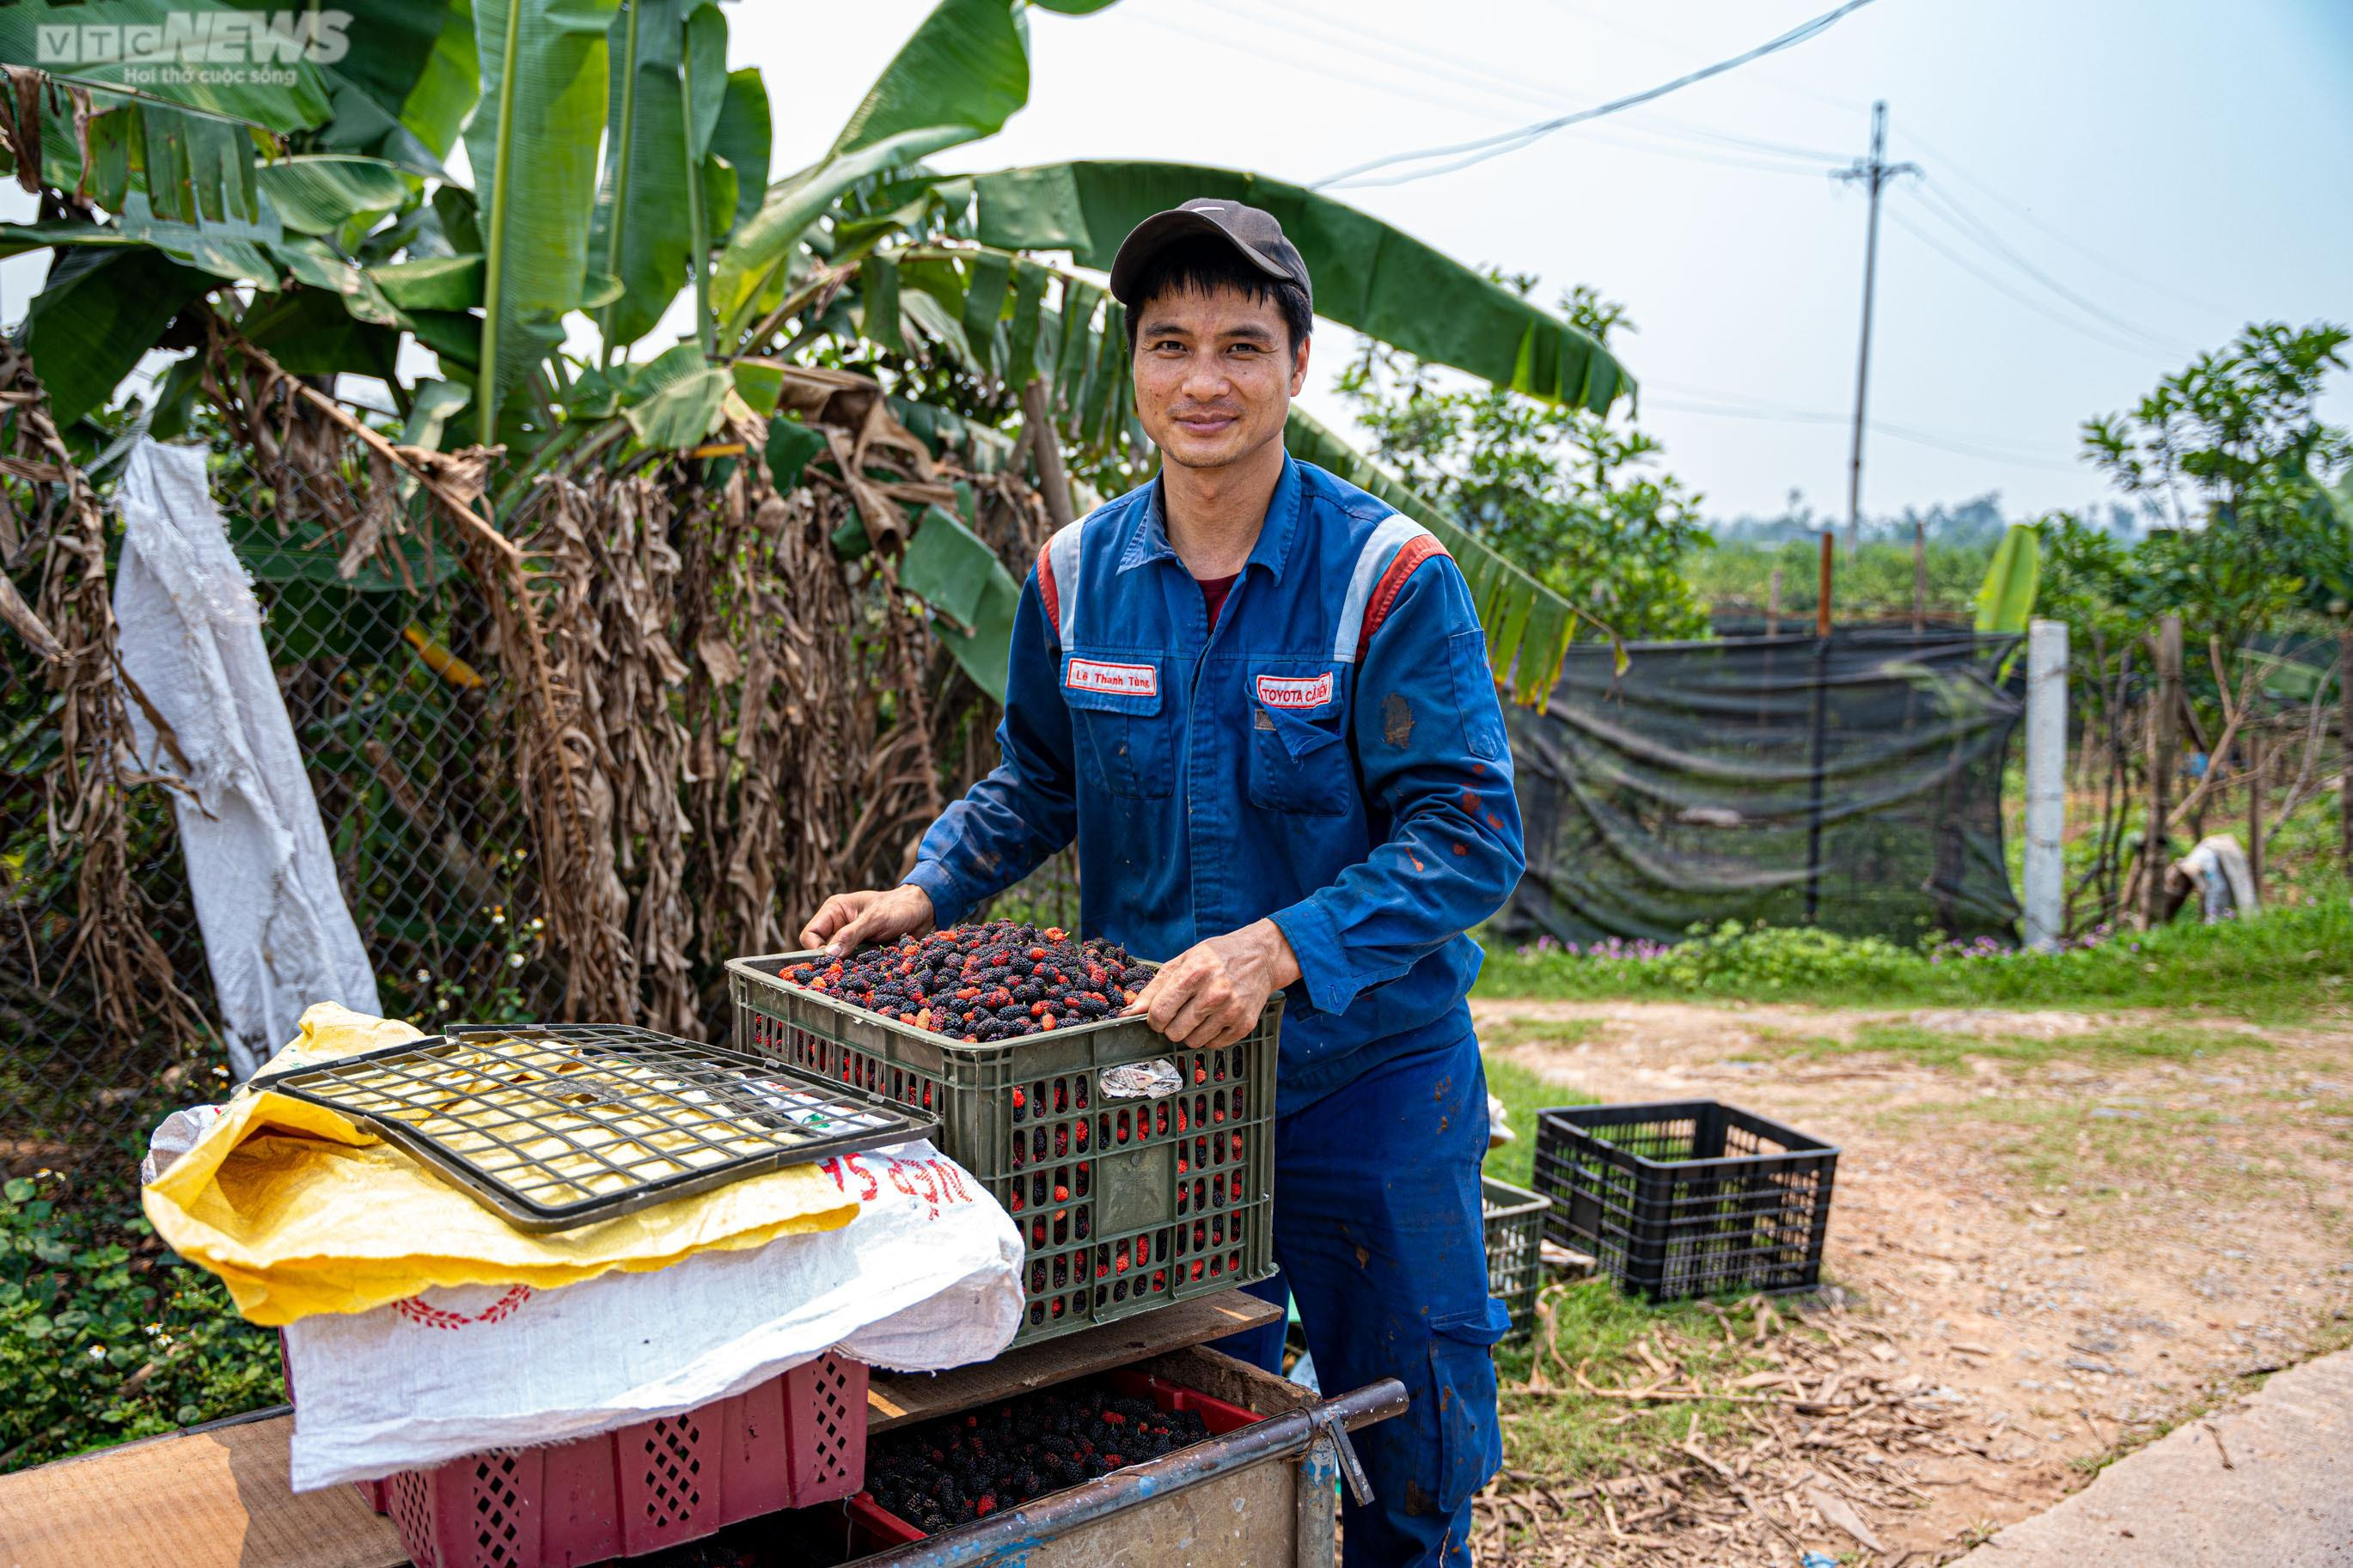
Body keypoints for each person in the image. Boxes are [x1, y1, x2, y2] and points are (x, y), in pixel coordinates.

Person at [800, 198, 1525, 1567]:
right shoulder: (1076, 576)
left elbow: (1470, 832)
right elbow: (1037, 779)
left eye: (1241, 346)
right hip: (1152, 1095)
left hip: (1363, 1082)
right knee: (1184, 1447)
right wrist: (925, 891)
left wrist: (1279, 947)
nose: (1204, 380)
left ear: (1297, 365)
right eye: (1169, 343)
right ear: (1132, 365)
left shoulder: (1387, 578)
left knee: (1412, 1448)